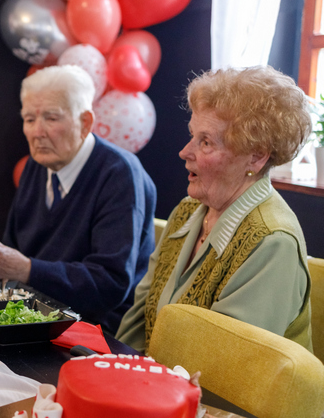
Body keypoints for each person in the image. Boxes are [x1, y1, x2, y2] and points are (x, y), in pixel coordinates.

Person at [117, 66, 313, 353]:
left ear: (256, 157)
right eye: (192, 136)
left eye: (206, 142)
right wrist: (110, 365)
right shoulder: (188, 211)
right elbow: (139, 319)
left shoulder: (272, 242)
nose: (185, 152)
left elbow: (227, 362)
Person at [0, 65, 156, 333]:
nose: (37, 132)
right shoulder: (38, 164)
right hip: (35, 314)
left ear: (85, 123)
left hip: (97, 328)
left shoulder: (120, 174)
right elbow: (13, 247)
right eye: (29, 119)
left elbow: (110, 283)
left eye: (51, 118)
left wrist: (27, 270)